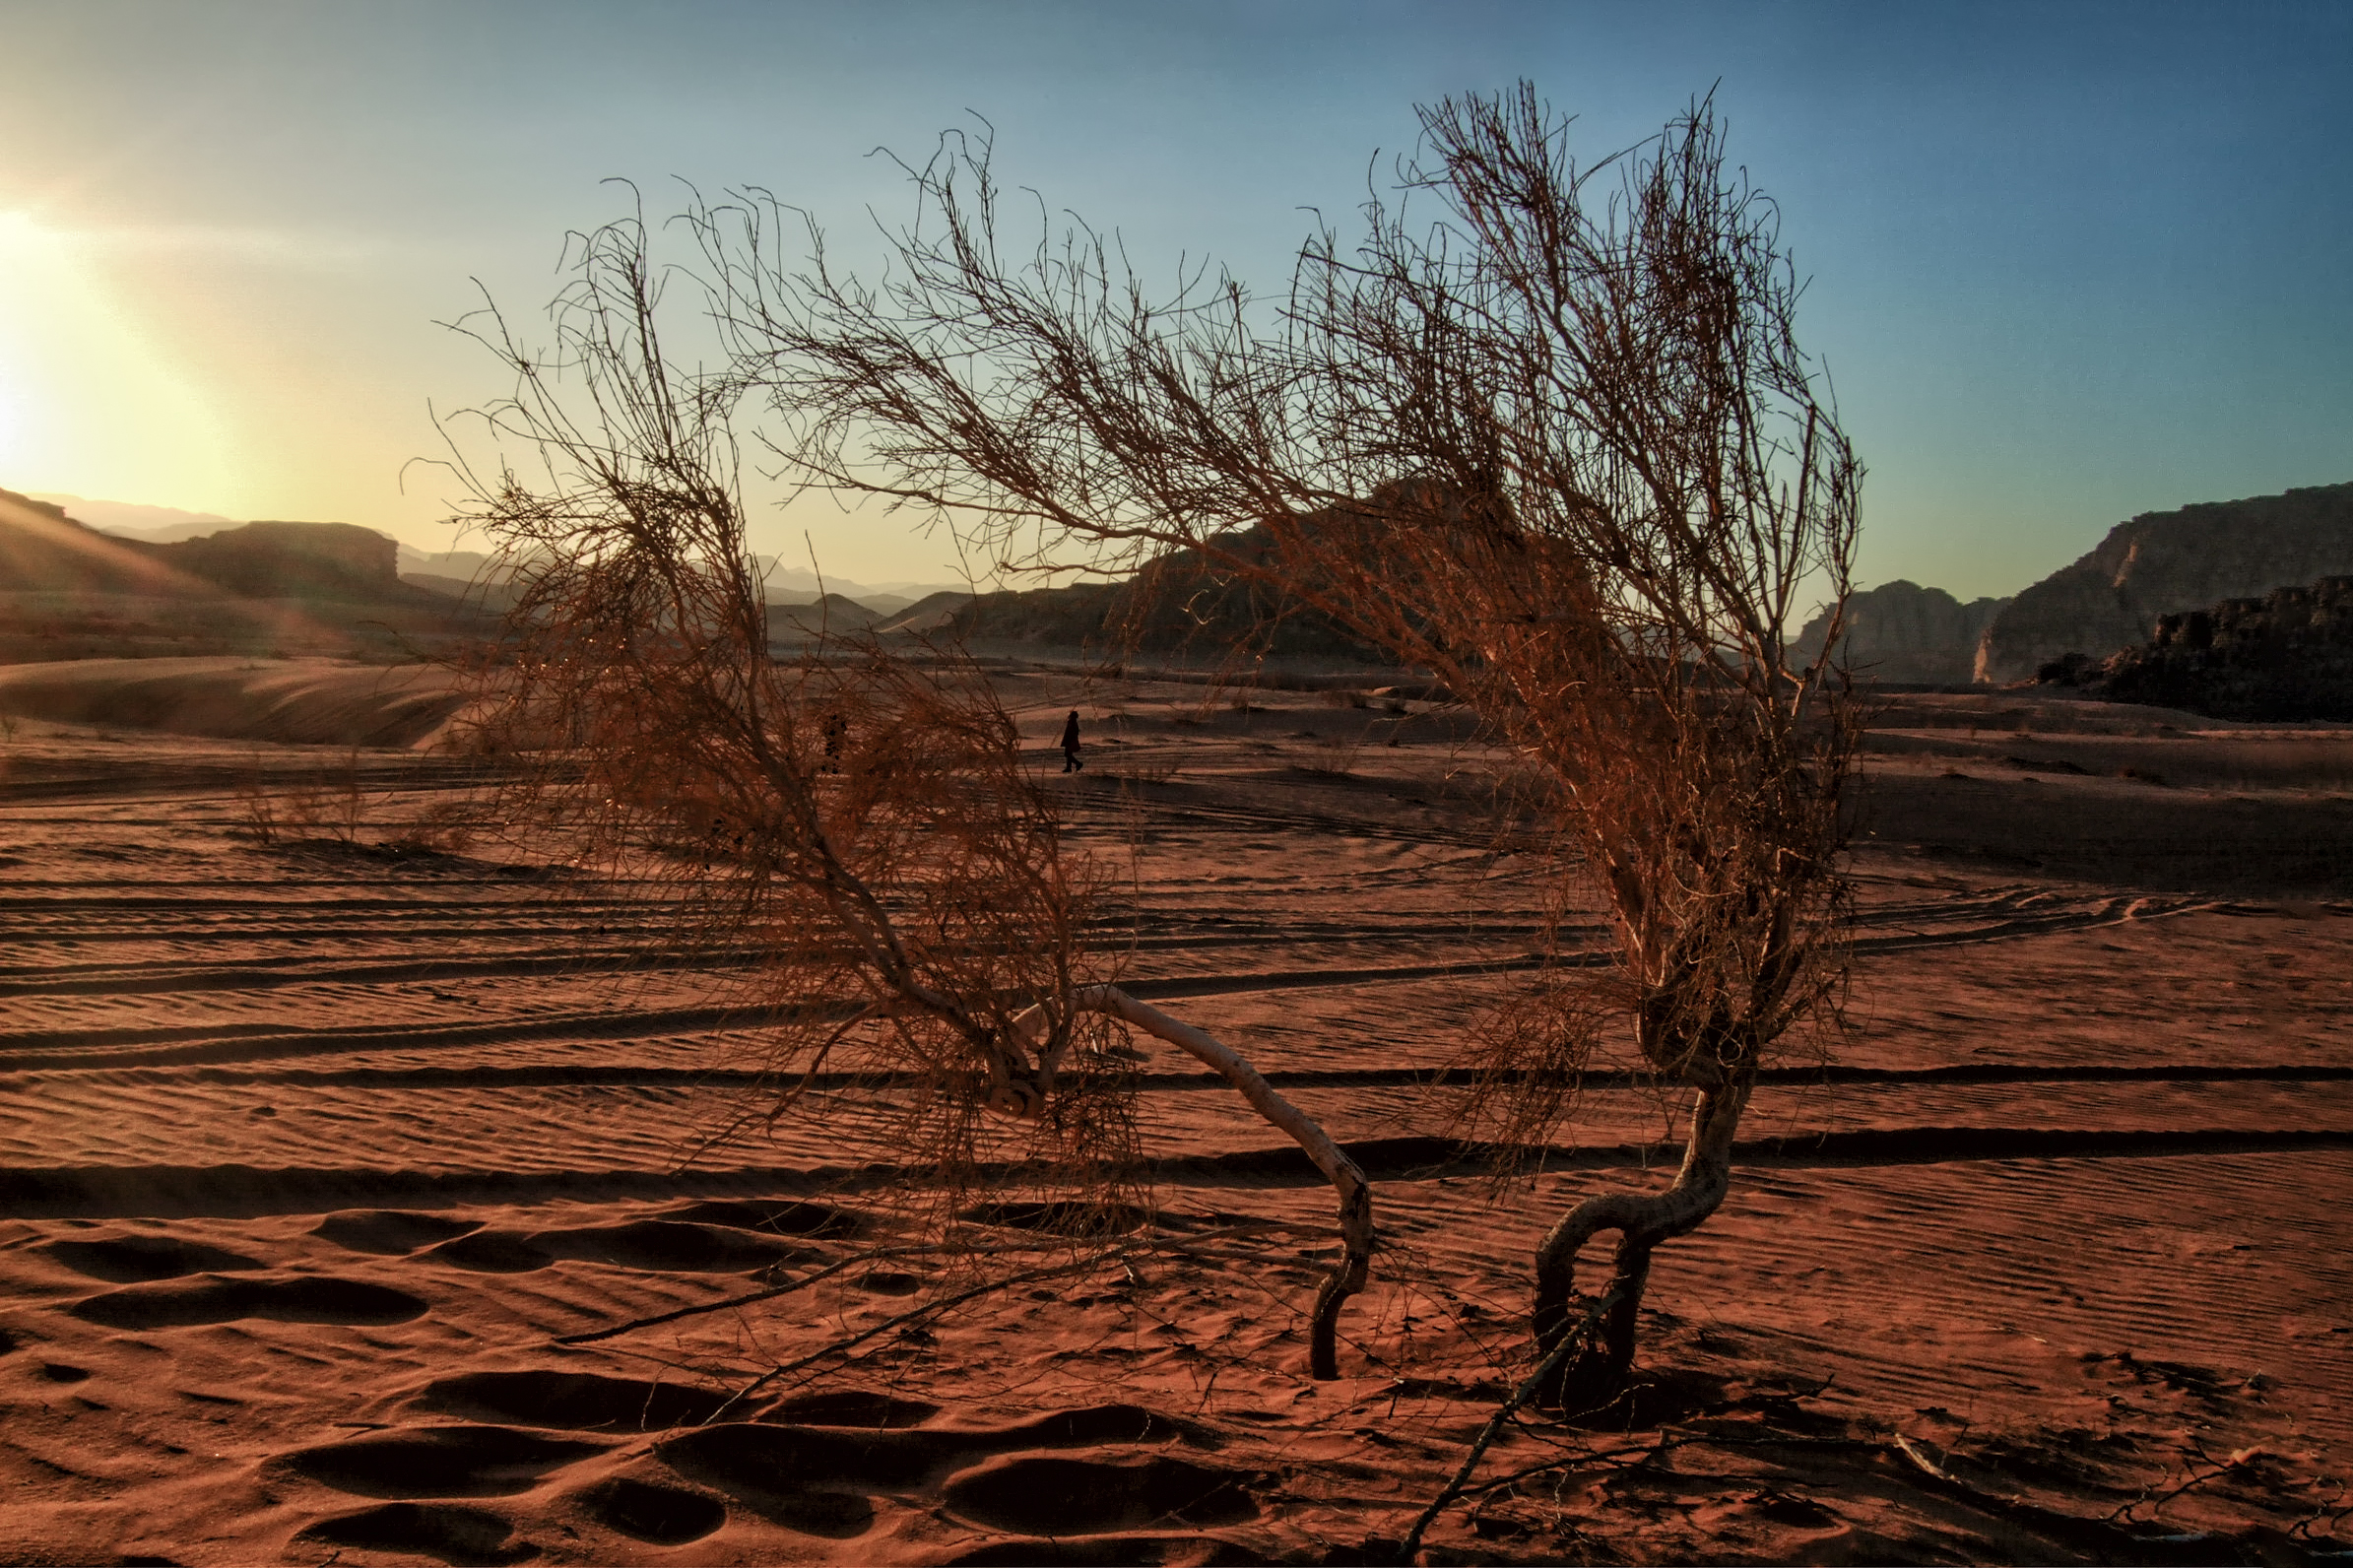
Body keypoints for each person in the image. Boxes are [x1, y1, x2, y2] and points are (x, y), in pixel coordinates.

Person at [1060, 709, 1083, 773]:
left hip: (1070, 741)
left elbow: (1071, 732)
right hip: (1070, 740)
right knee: (1068, 754)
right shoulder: (1073, 722)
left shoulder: (1072, 722)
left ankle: (1078, 764)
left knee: (1068, 754)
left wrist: (1068, 740)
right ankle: (1069, 768)